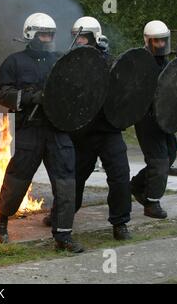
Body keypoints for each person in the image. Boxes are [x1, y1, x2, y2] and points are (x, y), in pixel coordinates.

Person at [0, 13, 84, 253]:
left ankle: (64, 236)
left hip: (57, 130)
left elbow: (74, 92)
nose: (47, 38)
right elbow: (3, 94)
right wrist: (34, 96)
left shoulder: (60, 61)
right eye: (43, 34)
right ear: (30, 34)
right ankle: (1, 218)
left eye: (50, 35)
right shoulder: (14, 62)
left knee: (66, 183)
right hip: (29, 130)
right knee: (17, 181)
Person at [64, 17, 132, 240]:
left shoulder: (109, 62)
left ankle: (120, 223)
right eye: (77, 36)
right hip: (82, 130)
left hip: (108, 129)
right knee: (75, 176)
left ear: (94, 37)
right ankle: (63, 215)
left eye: (83, 36)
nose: (79, 41)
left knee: (120, 175)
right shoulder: (70, 63)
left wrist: (104, 61)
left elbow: (122, 93)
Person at [130, 20, 177, 219]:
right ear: (148, 41)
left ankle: (137, 185)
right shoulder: (139, 62)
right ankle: (151, 202)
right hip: (147, 119)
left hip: (165, 119)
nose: (159, 45)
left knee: (171, 155)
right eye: (156, 41)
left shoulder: (166, 63)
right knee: (159, 161)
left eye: (162, 41)